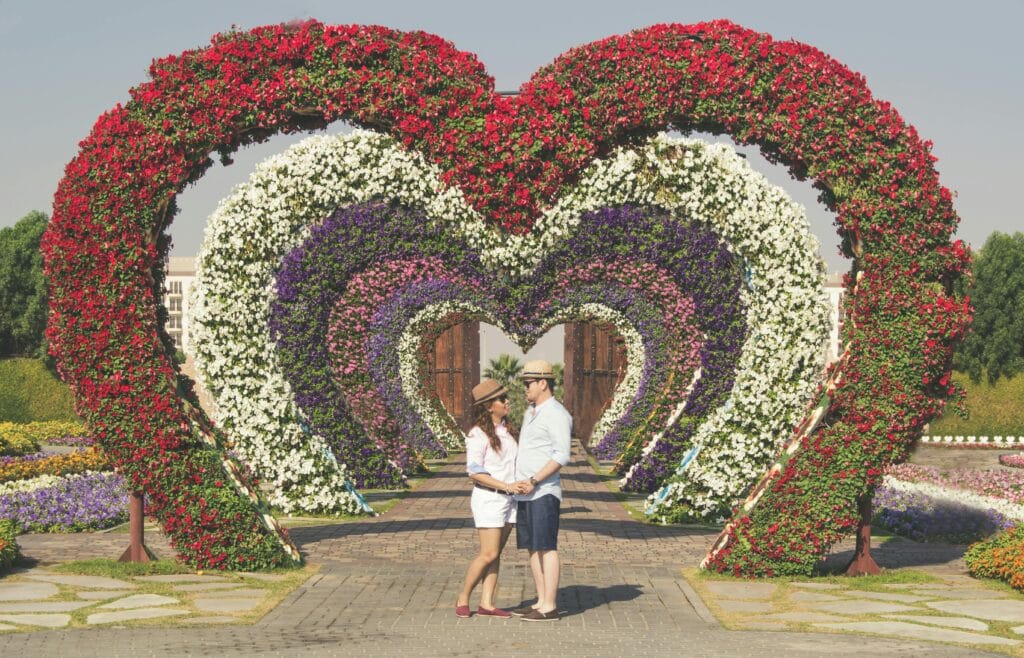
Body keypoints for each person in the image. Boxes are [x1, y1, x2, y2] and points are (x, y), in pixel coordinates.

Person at [510, 360, 572, 622]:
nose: (525, 389)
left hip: (543, 490)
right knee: (532, 547)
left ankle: (550, 606)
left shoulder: (557, 414)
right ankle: (540, 600)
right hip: (525, 491)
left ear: (542, 383)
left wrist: (535, 479)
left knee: (546, 546)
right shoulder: (531, 412)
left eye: (528, 384)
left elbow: (562, 455)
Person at [456, 378, 522, 618]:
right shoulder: (477, 434)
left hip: (510, 501)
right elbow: (474, 472)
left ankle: (487, 603)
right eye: (501, 399)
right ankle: (463, 596)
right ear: (488, 406)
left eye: (506, 397)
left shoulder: (508, 430)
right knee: (489, 553)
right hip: (490, 499)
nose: (507, 402)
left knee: (496, 553)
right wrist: (506, 485)